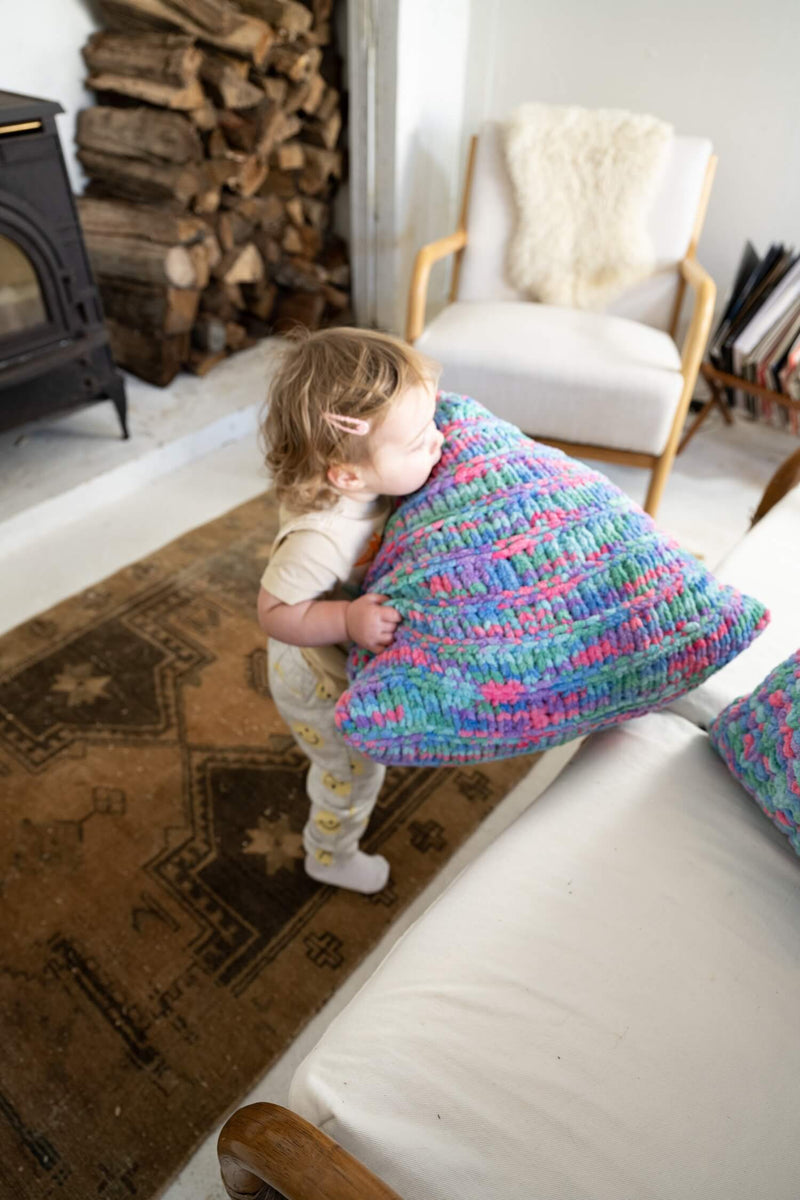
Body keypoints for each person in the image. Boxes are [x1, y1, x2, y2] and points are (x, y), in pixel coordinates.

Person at [257, 327, 443, 894]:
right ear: (347, 475)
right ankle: (329, 853)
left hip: (326, 652)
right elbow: (273, 610)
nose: (438, 441)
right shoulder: (321, 538)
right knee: (354, 772)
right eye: (418, 441)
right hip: (314, 674)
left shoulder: (366, 479)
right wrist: (345, 620)